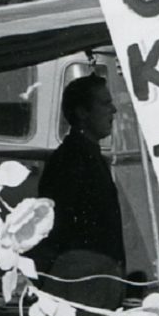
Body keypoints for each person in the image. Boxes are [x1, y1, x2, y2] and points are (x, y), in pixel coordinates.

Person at [36, 74, 130, 296]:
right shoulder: (70, 160)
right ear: (82, 112)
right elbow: (58, 228)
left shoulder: (91, 155)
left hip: (99, 279)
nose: (114, 111)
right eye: (105, 103)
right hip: (80, 281)